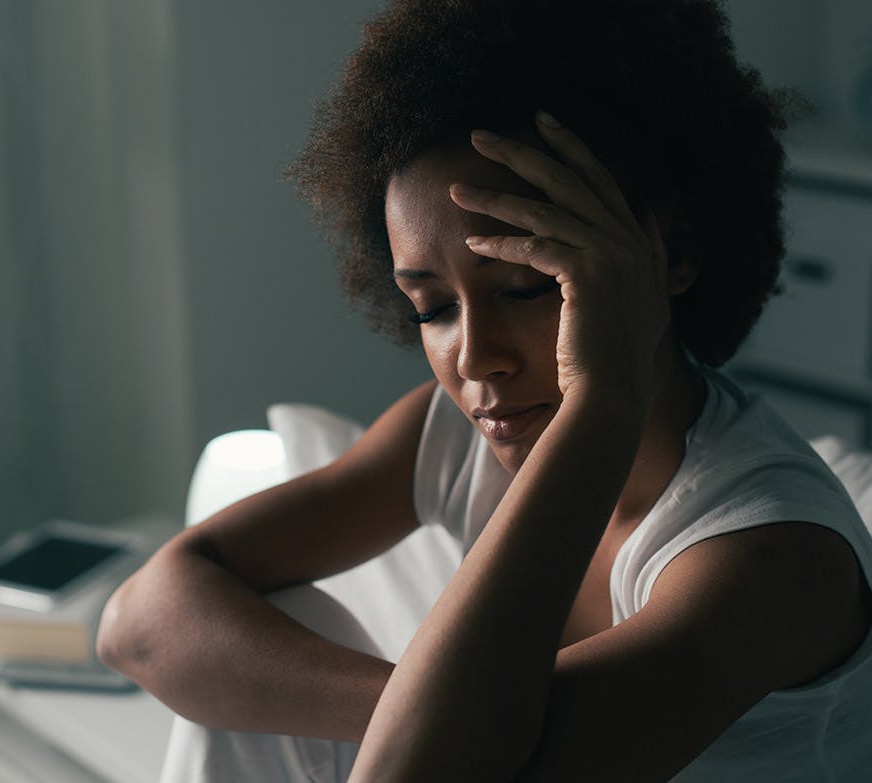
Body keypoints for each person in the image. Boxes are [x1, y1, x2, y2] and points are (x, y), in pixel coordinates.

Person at [97, 0, 872, 780]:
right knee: (269, 635)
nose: (475, 358)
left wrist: (602, 402)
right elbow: (136, 622)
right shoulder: (454, 437)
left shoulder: (770, 558)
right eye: (432, 306)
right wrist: (426, 704)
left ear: (671, 254)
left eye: (525, 286)